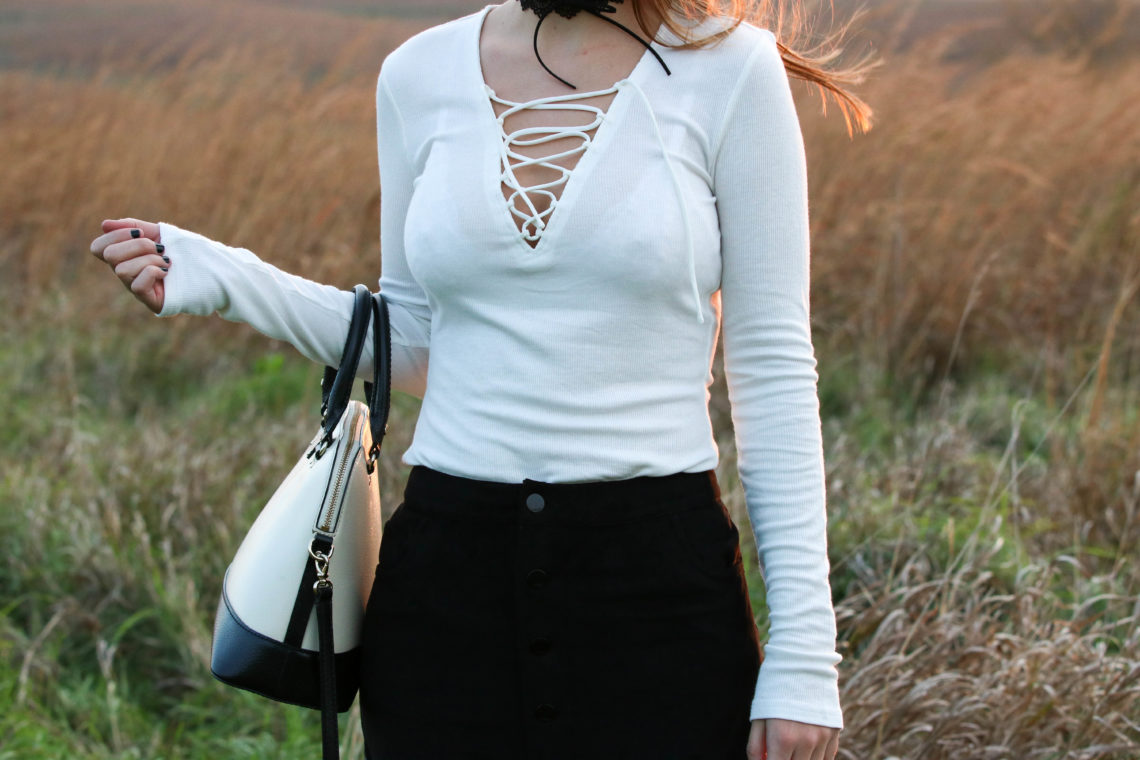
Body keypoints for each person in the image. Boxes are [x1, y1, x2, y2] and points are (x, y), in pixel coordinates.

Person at [90, 1, 875, 757]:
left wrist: (806, 656)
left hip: (656, 587)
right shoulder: (417, 73)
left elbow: (772, 367)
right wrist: (225, 278)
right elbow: (416, 342)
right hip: (444, 586)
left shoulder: (733, 68)